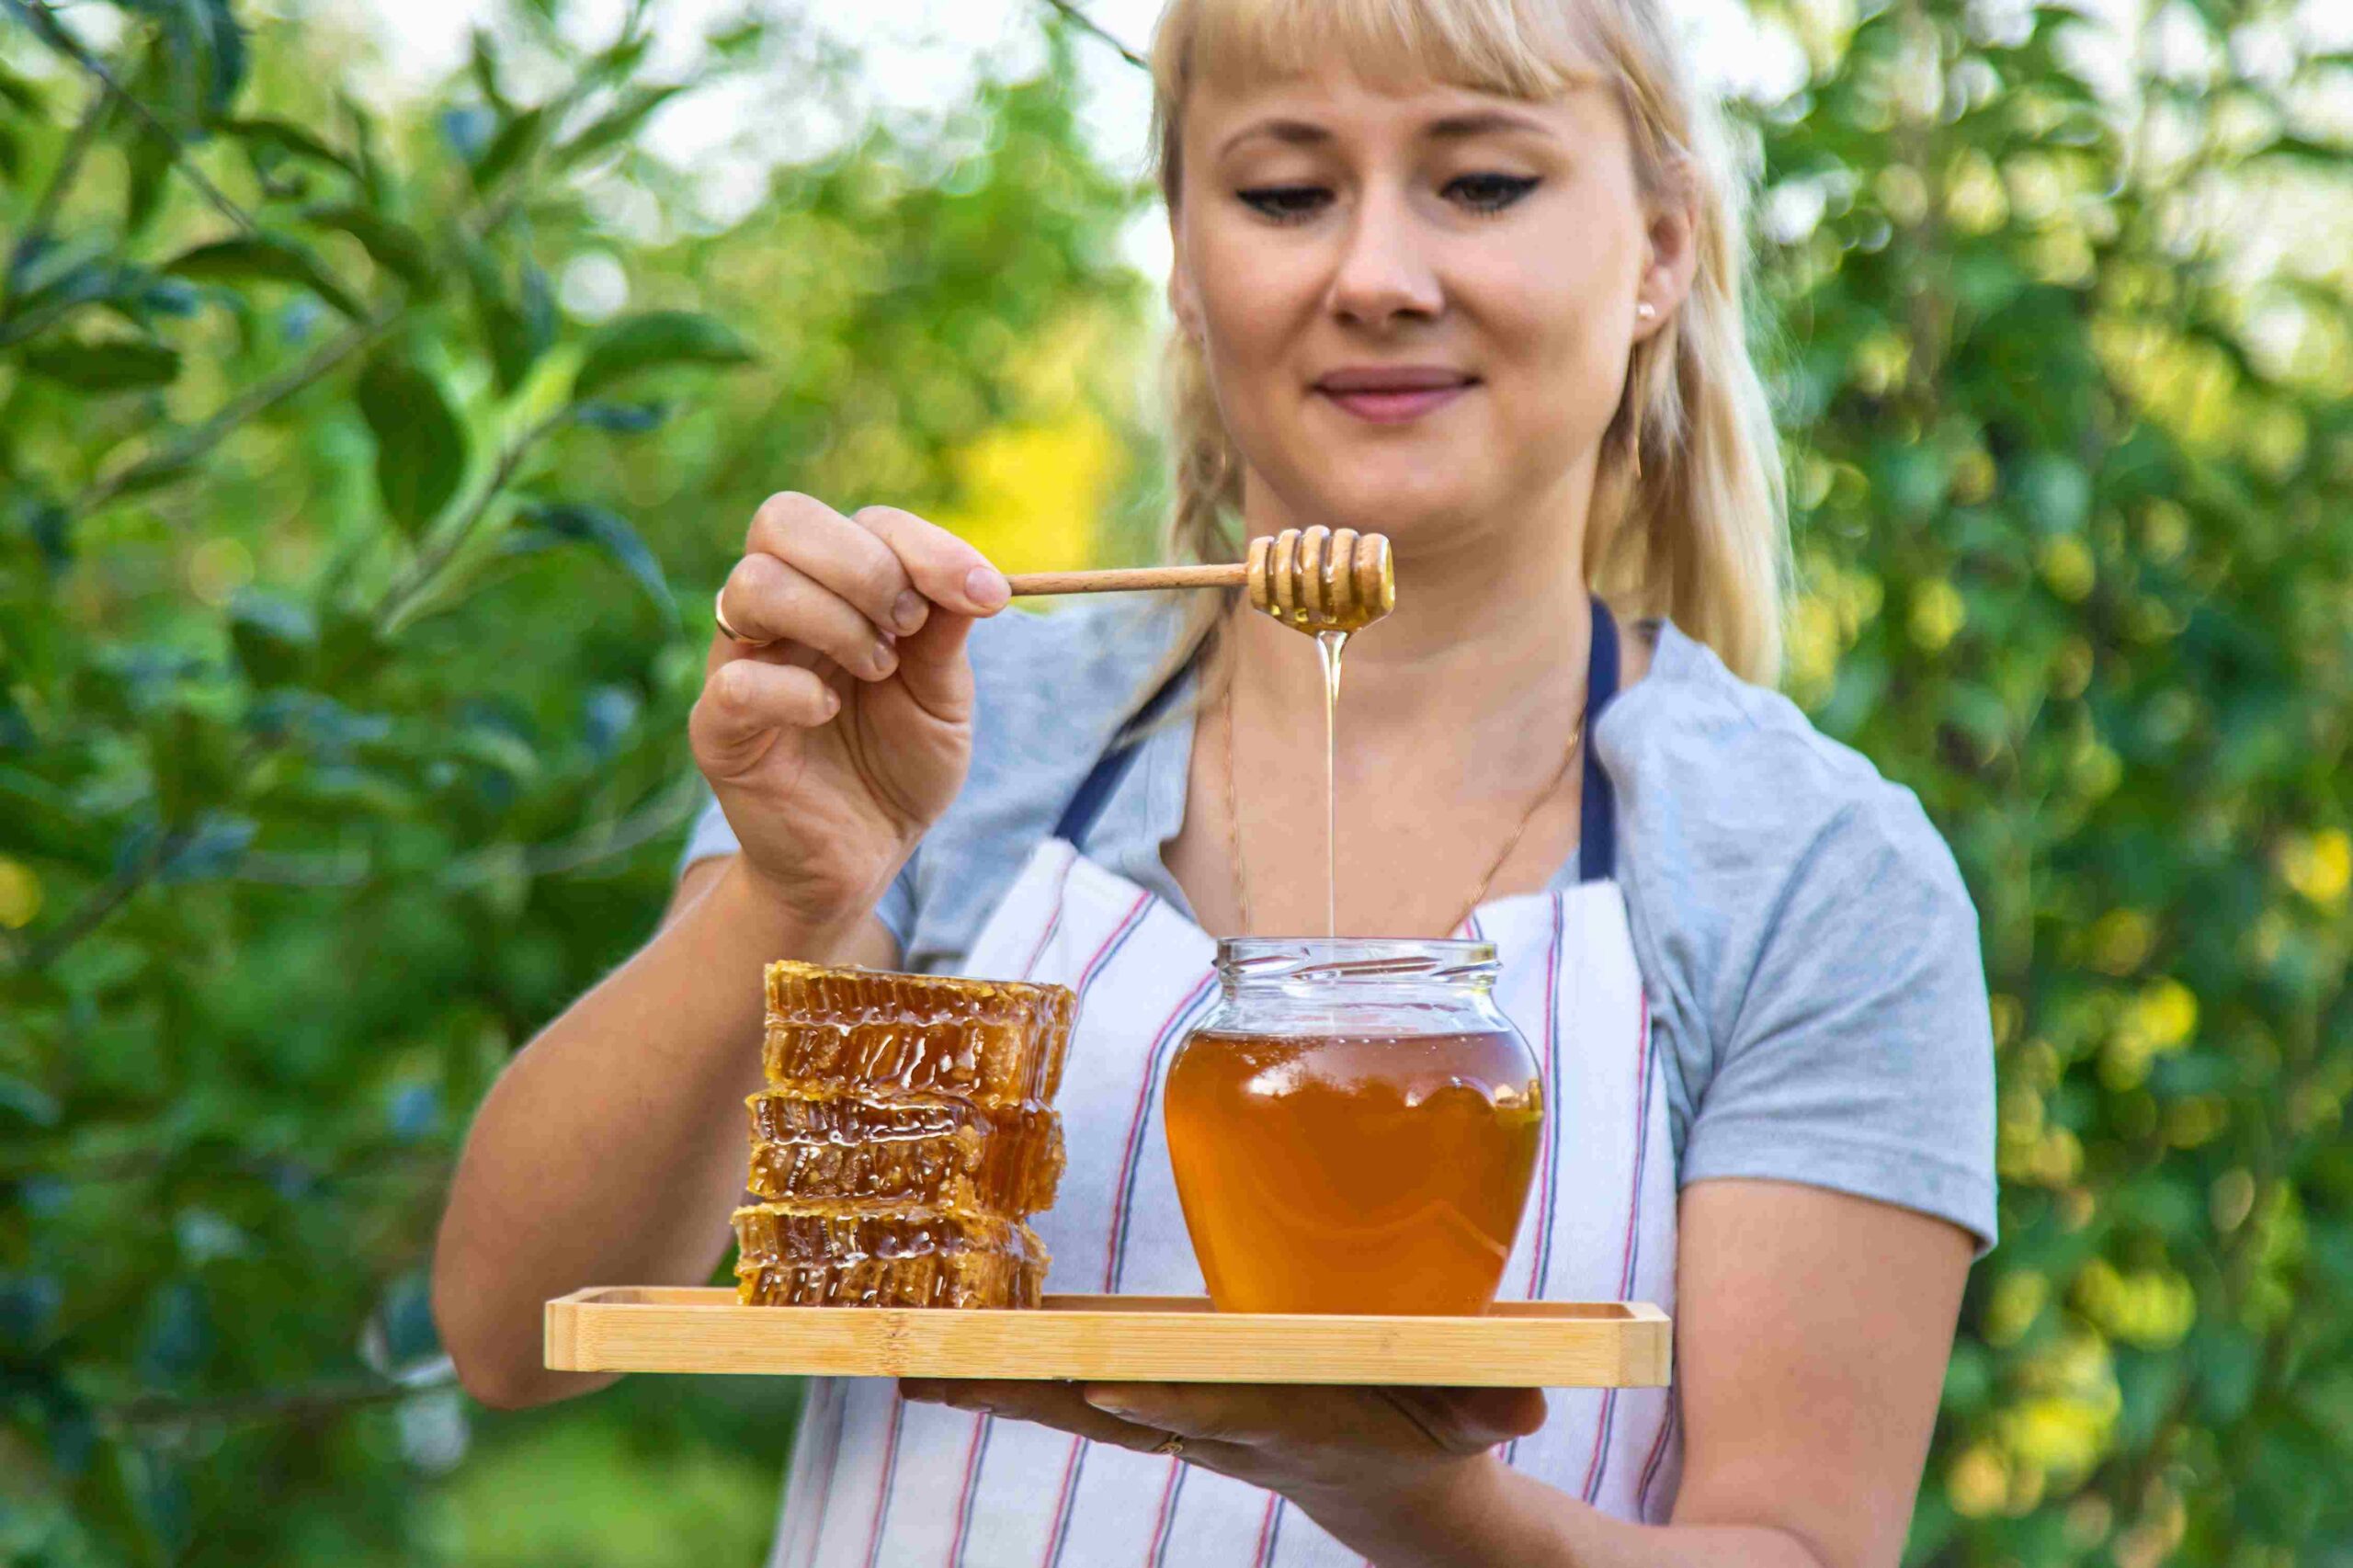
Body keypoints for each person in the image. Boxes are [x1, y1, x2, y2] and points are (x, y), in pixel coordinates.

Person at [432, 0, 1997, 1562]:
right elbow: (513, 1329)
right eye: (1285, 194)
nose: (1378, 277)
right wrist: (795, 887)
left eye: (1483, 184)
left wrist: (1421, 1502)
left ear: (1659, 248)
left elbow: (1796, 1544)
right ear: (1184, 258)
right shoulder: (952, 730)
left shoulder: (1810, 867)